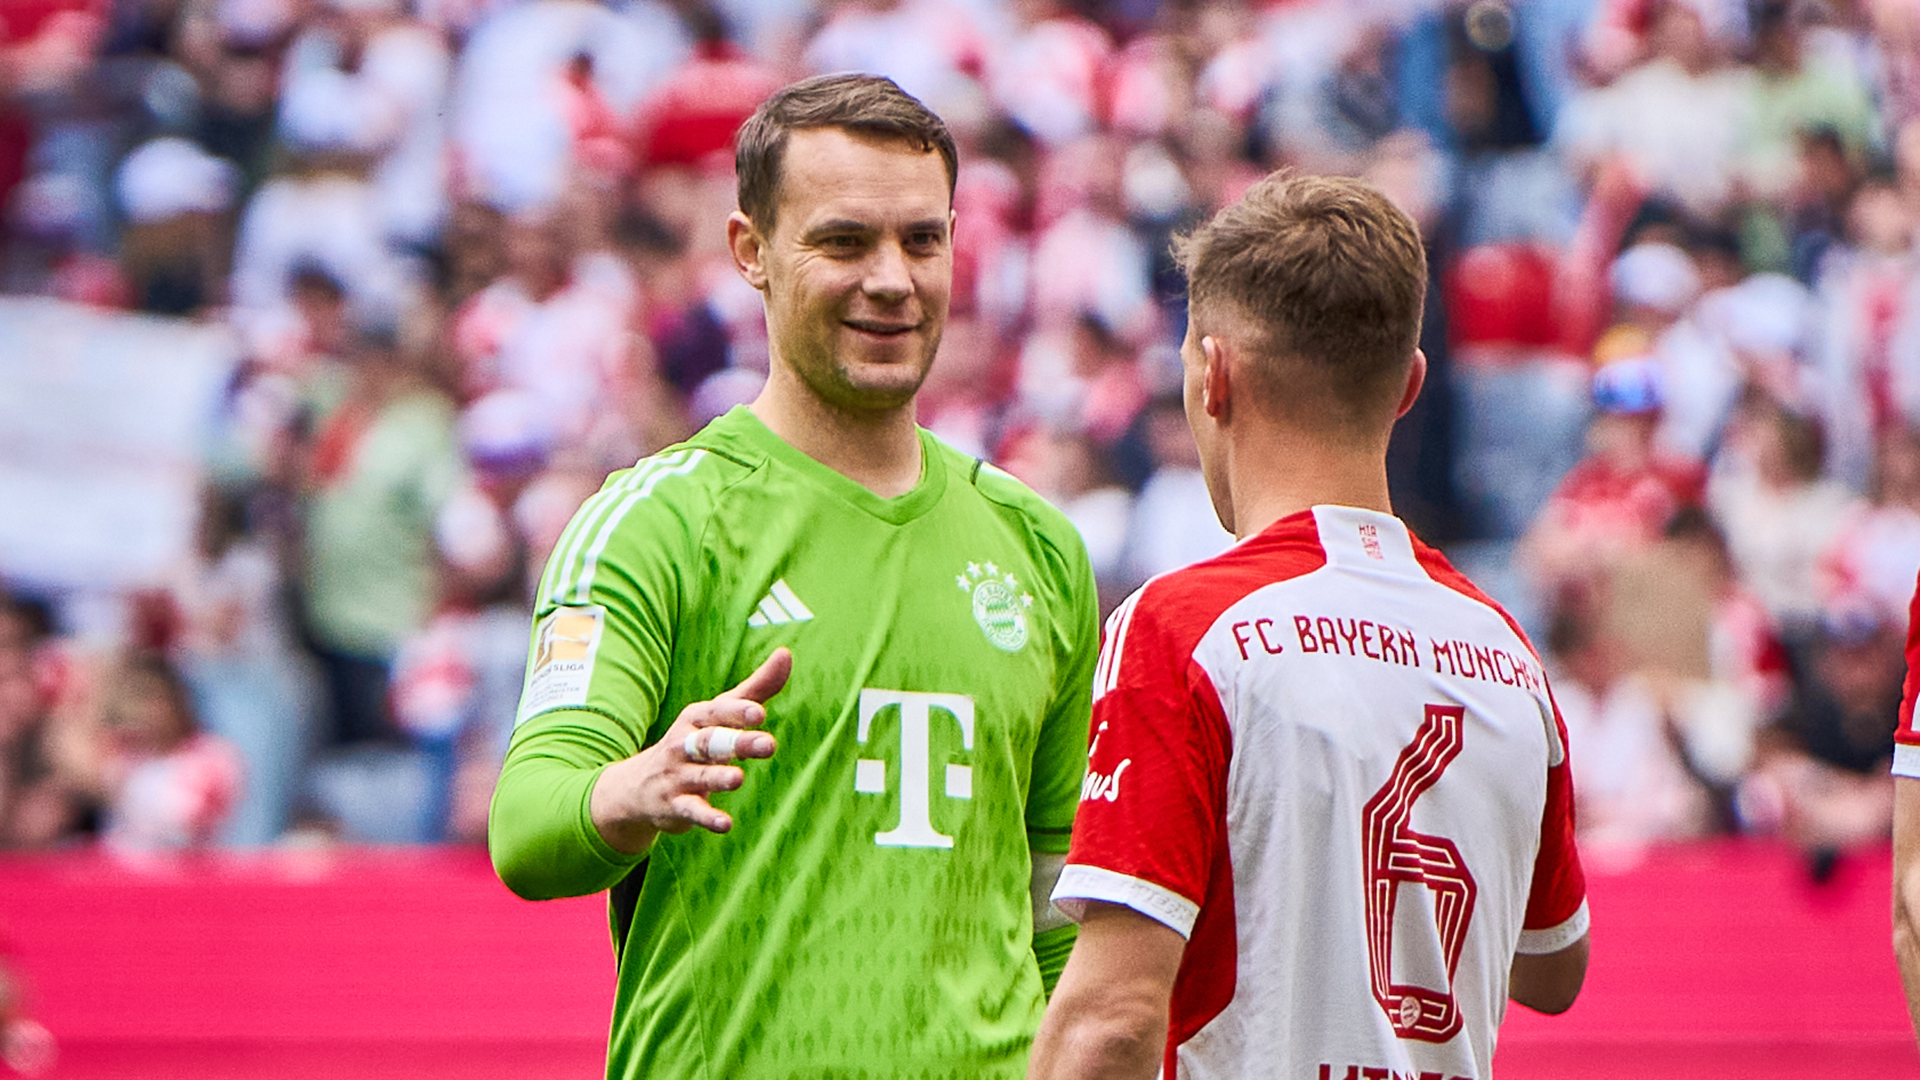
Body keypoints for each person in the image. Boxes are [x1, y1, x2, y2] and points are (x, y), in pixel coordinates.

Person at [488, 74, 1099, 1078]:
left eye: (923, 240)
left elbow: (1060, 915)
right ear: (751, 254)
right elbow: (527, 827)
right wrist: (635, 788)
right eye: (845, 242)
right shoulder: (658, 525)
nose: (894, 279)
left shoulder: (1037, 546)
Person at [1027, 173, 1590, 1080]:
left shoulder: (1182, 629)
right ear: (1409, 386)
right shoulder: (1503, 652)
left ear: (1214, 376)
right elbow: (1556, 965)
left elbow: (1112, 1021)